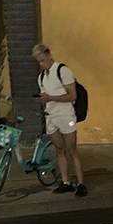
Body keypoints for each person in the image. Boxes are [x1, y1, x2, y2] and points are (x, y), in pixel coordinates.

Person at [32, 42, 87, 197]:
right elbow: (47, 97)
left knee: (72, 150)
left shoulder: (63, 71)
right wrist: (43, 100)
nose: (41, 64)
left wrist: (51, 98)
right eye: (39, 61)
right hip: (51, 116)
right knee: (59, 150)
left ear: (49, 55)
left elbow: (72, 95)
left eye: (42, 60)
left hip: (66, 115)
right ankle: (65, 182)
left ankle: (81, 183)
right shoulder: (42, 77)